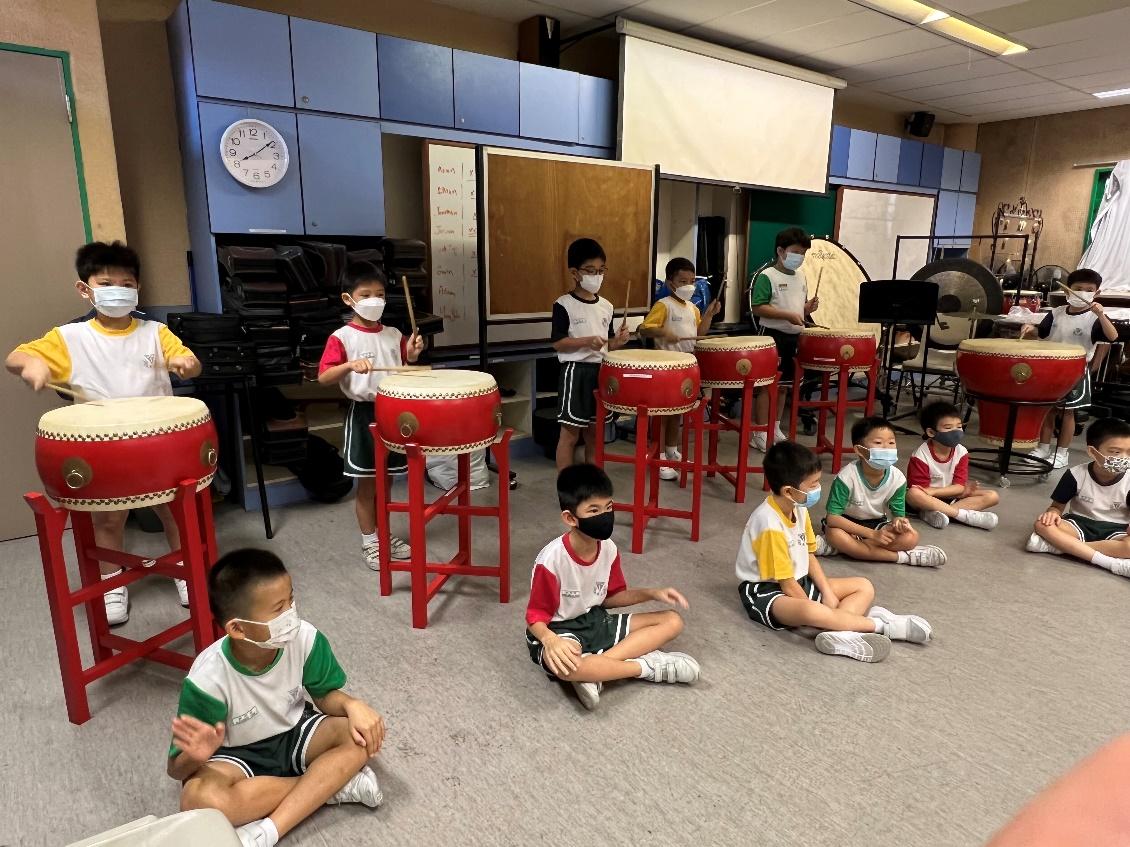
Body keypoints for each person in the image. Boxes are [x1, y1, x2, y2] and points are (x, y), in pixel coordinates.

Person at [5, 241, 202, 623]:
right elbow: (17, 357)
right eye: (107, 282)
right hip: (102, 447)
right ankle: (113, 583)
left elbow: (189, 361)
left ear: (137, 288)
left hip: (157, 441)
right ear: (85, 288)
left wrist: (185, 362)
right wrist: (33, 367)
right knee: (109, 519)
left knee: (175, 512)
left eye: (126, 283)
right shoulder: (70, 337)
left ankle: (185, 575)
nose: (118, 290)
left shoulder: (155, 332)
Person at [170, 549, 385, 847]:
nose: (291, 614)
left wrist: (352, 705)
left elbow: (324, 696)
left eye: (292, 600)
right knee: (197, 800)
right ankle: (330, 787)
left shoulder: (306, 638)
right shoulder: (207, 680)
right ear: (237, 627)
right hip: (237, 756)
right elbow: (175, 770)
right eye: (278, 608)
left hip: (296, 733)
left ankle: (267, 830)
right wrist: (195, 755)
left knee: (361, 734)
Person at [524, 463, 700, 710]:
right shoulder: (551, 561)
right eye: (593, 510)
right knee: (564, 665)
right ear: (570, 518)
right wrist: (551, 641)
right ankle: (644, 668)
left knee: (673, 621)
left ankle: (596, 671)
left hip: (596, 620)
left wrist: (653, 593)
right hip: (559, 629)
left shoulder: (608, 548)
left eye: (609, 507)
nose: (605, 516)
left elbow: (610, 598)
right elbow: (535, 618)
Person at [736, 441, 931, 663]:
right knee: (811, 612)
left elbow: (808, 555)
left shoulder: (798, 509)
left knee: (863, 586)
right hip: (766, 591)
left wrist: (827, 592)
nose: (819, 488)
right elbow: (786, 584)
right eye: (813, 484)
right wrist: (816, 608)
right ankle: (881, 625)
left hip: (799, 581)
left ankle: (839, 633)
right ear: (789, 491)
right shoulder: (769, 525)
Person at [318, 261, 425, 571]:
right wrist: (349, 366)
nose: (374, 300)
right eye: (365, 294)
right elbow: (324, 376)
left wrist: (414, 353)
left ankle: (384, 535)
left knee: (388, 482)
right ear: (348, 299)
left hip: (394, 410)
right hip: (365, 414)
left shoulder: (393, 334)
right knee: (367, 485)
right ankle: (370, 543)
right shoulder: (342, 337)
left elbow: (406, 362)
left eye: (379, 294)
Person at [819, 416, 947, 567]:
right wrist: (872, 535)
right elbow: (833, 518)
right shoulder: (846, 477)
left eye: (891, 442)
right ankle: (904, 557)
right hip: (847, 524)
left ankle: (846, 548)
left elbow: (898, 516)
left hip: (877, 523)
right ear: (859, 450)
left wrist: (900, 523)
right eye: (878, 443)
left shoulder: (898, 478)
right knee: (834, 534)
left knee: (911, 537)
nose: (887, 448)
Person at [1023, 268, 1118, 469]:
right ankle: (1042, 448)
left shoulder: (1094, 318)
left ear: (1096, 293)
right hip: (1050, 368)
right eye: (1078, 289)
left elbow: (1112, 337)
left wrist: (1101, 315)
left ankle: (1062, 453)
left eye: (1089, 289)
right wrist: (1031, 329)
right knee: (1047, 410)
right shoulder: (1056, 313)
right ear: (1067, 291)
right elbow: (1041, 333)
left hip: (1074, 370)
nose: (1082, 293)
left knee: (1067, 413)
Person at [550, 239, 631, 470]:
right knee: (569, 436)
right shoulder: (563, 304)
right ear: (575, 273)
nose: (597, 276)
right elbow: (557, 343)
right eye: (591, 271)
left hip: (601, 372)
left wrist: (619, 341)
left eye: (601, 271)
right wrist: (587, 341)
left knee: (595, 437)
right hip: (575, 372)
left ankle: (595, 485)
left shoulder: (607, 306)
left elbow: (608, 346)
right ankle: (565, 489)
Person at [637, 257, 720, 480]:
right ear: (670, 282)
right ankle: (661, 457)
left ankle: (672, 450)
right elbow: (645, 329)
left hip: (687, 365)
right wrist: (662, 332)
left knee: (677, 414)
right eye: (683, 281)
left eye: (692, 281)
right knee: (663, 416)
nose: (689, 286)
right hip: (666, 367)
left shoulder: (693, 308)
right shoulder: (663, 305)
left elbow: (699, 334)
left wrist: (710, 314)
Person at [1025, 417, 1130, 578]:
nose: (1123, 458)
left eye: (1129, 452)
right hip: (1078, 524)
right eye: (1116, 452)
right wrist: (1052, 513)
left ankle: (1062, 547)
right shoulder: (1075, 474)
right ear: (1092, 452)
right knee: (1042, 525)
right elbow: (1056, 507)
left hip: (1116, 530)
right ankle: (1110, 562)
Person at [748, 227, 819, 451]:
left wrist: (808, 308)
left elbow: (797, 307)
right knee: (766, 387)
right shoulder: (767, 276)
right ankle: (759, 432)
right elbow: (758, 307)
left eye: (803, 254)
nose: (800, 258)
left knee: (784, 387)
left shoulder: (801, 277)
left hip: (793, 338)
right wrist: (787, 315)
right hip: (771, 338)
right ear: (781, 250)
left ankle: (775, 427)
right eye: (796, 252)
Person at [905, 400, 999, 530]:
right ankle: (961, 515)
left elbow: (959, 487)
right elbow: (921, 491)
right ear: (931, 432)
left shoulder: (962, 452)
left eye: (959, 427)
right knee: (913, 494)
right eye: (948, 428)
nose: (956, 432)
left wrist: (941, 491)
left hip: (947, 496)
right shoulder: (920, 455)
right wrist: (954, 491)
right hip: (926, 500)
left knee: (992, 496)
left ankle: (935, 514)